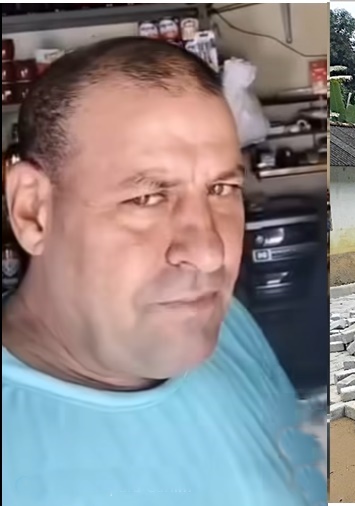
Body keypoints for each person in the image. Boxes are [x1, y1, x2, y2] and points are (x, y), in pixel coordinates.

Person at [0, 38, 324, 505]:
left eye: (221, 187)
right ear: (33, 211)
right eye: (146, 197)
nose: (210, 253)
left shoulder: (224, 321)